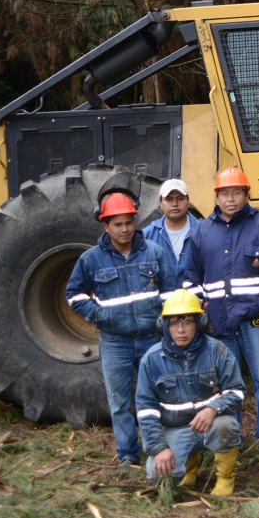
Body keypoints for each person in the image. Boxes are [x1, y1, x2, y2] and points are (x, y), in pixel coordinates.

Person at [66, 192, 176, 467]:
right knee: (119, 401)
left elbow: (171, 291)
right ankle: (128, 454)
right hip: (116, 342)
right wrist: (98, 315)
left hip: (152, 337)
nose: (124, 229)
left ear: (134, 222)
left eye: (128, 223)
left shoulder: (154, 252)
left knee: (159, 395)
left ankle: (160, 448)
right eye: (117, 224)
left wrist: (164, 321)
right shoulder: (91, 260)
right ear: (106, 226)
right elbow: (74, 295)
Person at [183, 167, 259, 447]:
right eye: (225, 193)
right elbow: (191, 279)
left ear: (246, 195)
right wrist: (203, 313)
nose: (231, 199)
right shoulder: (202, 232)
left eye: (237, 192)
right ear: (216, 196)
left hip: (255, 320)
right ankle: (232, 440)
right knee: (228, 387)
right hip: (219, 324)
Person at [136, 290, 245, 496]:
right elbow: (146, 411)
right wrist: (159, 448)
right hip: (175, 428)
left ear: (200, 323)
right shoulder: (151, 360)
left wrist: (213, 409)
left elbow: (237, 392)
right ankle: (190, 463)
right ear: (164, 326)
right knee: (156, 475)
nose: (181, 329)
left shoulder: (218, 351)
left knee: (226, 425)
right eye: (174, 323)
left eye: (187, 322)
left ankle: (224, 480)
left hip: (211, 424)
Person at [143, 179, 199, 287]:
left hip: (195, 302)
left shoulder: (202, 232)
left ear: (188, 201)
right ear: (160, 203)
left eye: (180, 198)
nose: (175, 204)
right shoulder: (148, 236)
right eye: (169, 199)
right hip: (161, 303)